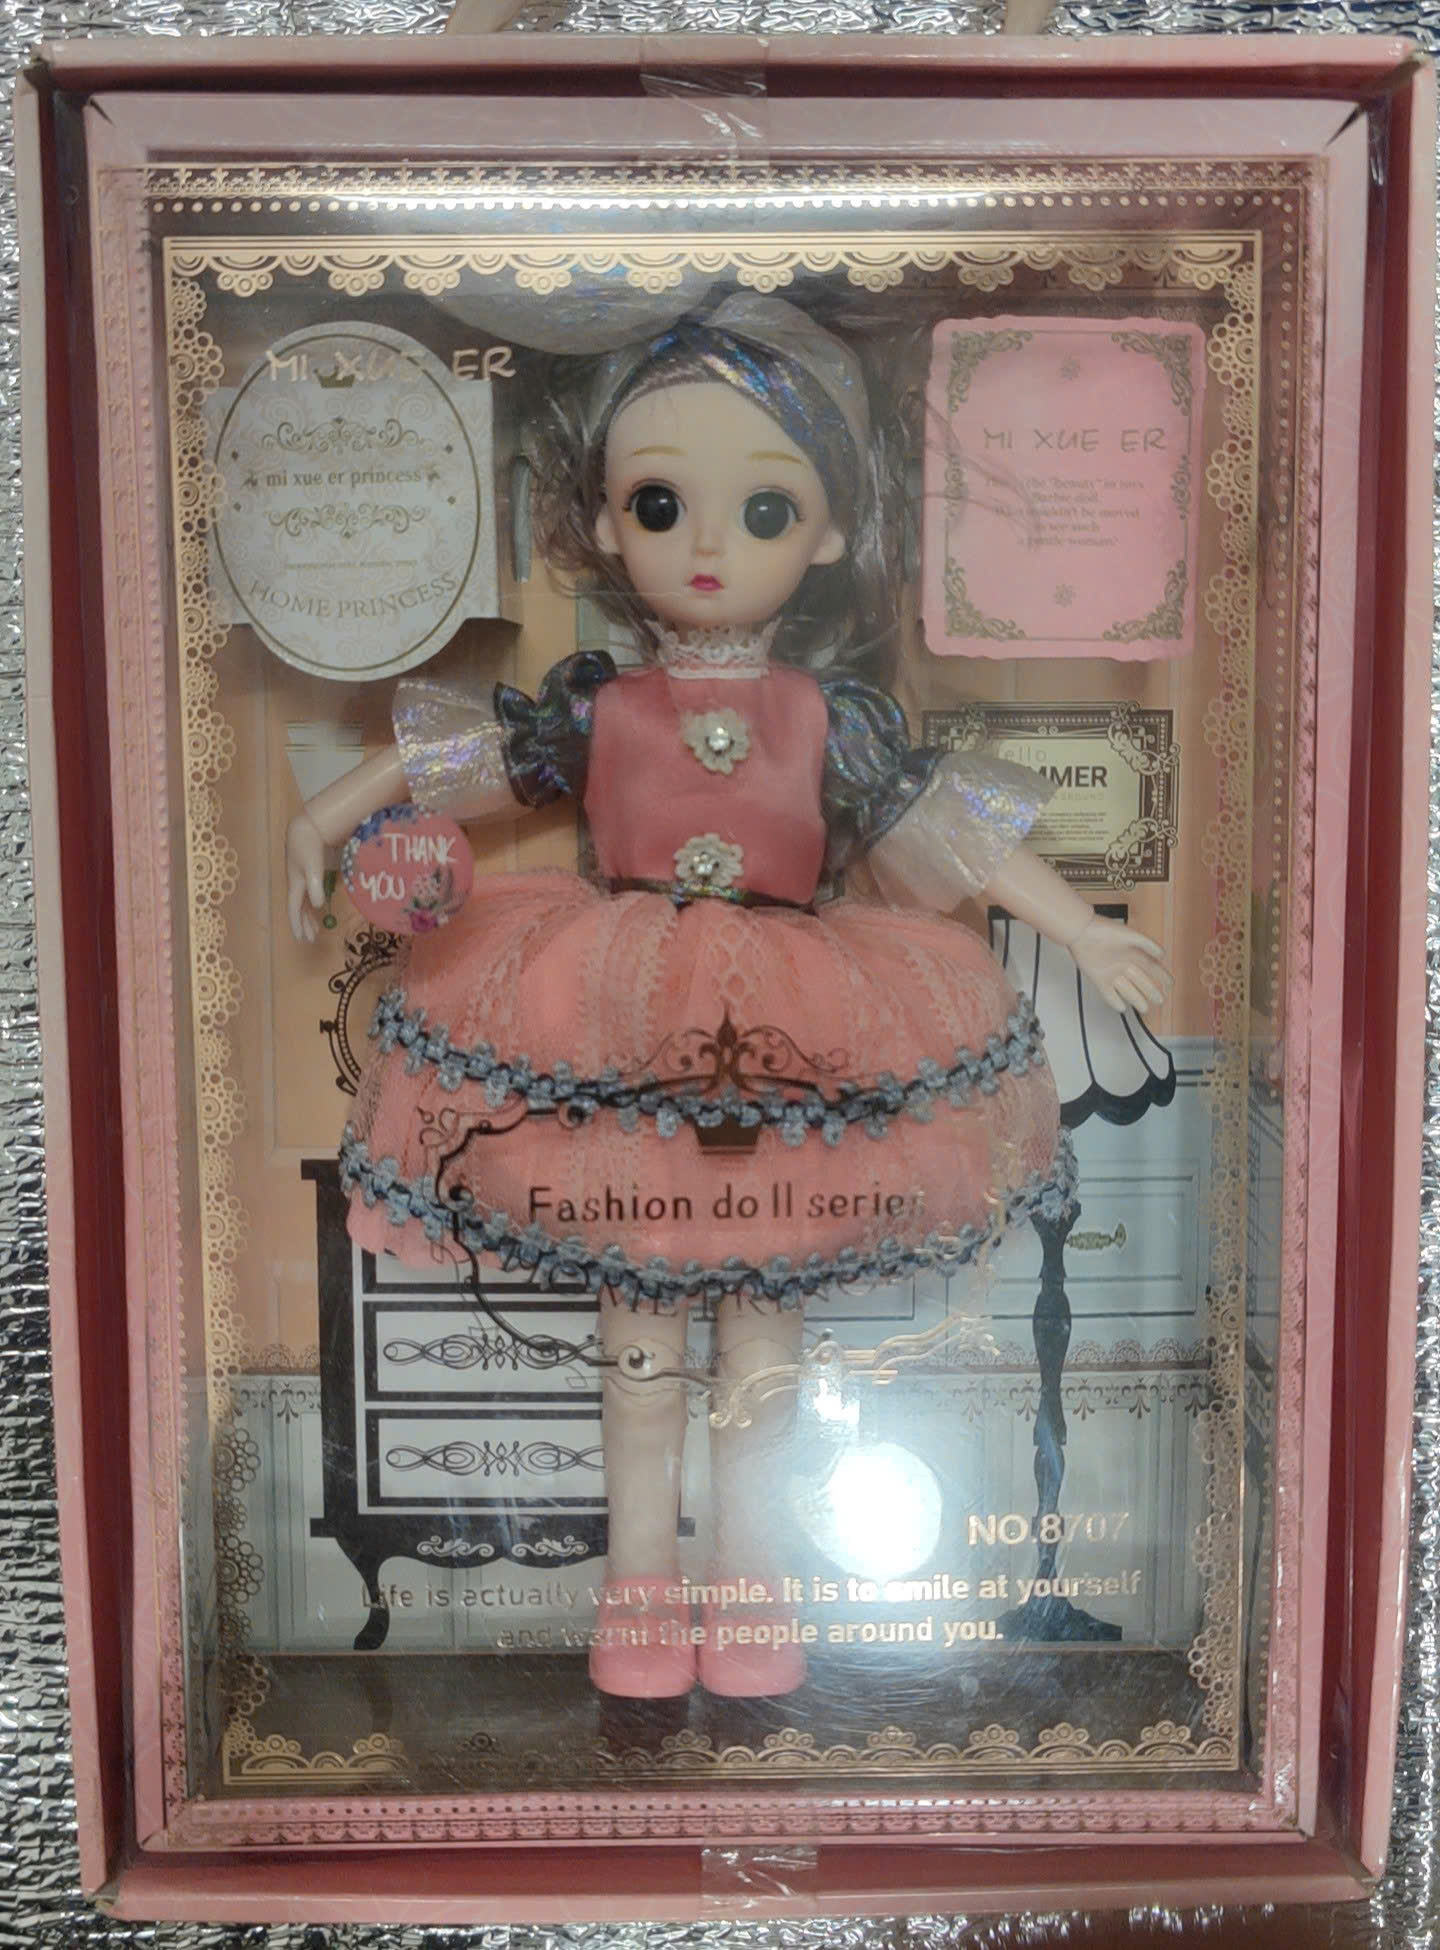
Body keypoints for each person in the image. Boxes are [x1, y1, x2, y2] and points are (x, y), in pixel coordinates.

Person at [286, 294, 1170, 1700]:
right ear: (605, 517)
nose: (705, 543)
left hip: (794, 1026)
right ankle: (639, 1587)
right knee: (637, 1344)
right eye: (659, 502)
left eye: (763, 510)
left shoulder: (829, 718)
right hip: (619, 1019)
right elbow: (471, 758)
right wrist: (325, 817)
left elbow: (940, 822)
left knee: (763, 1345)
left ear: (825, 534)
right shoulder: (600, 706)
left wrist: (1084, 932)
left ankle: (754, 1581)